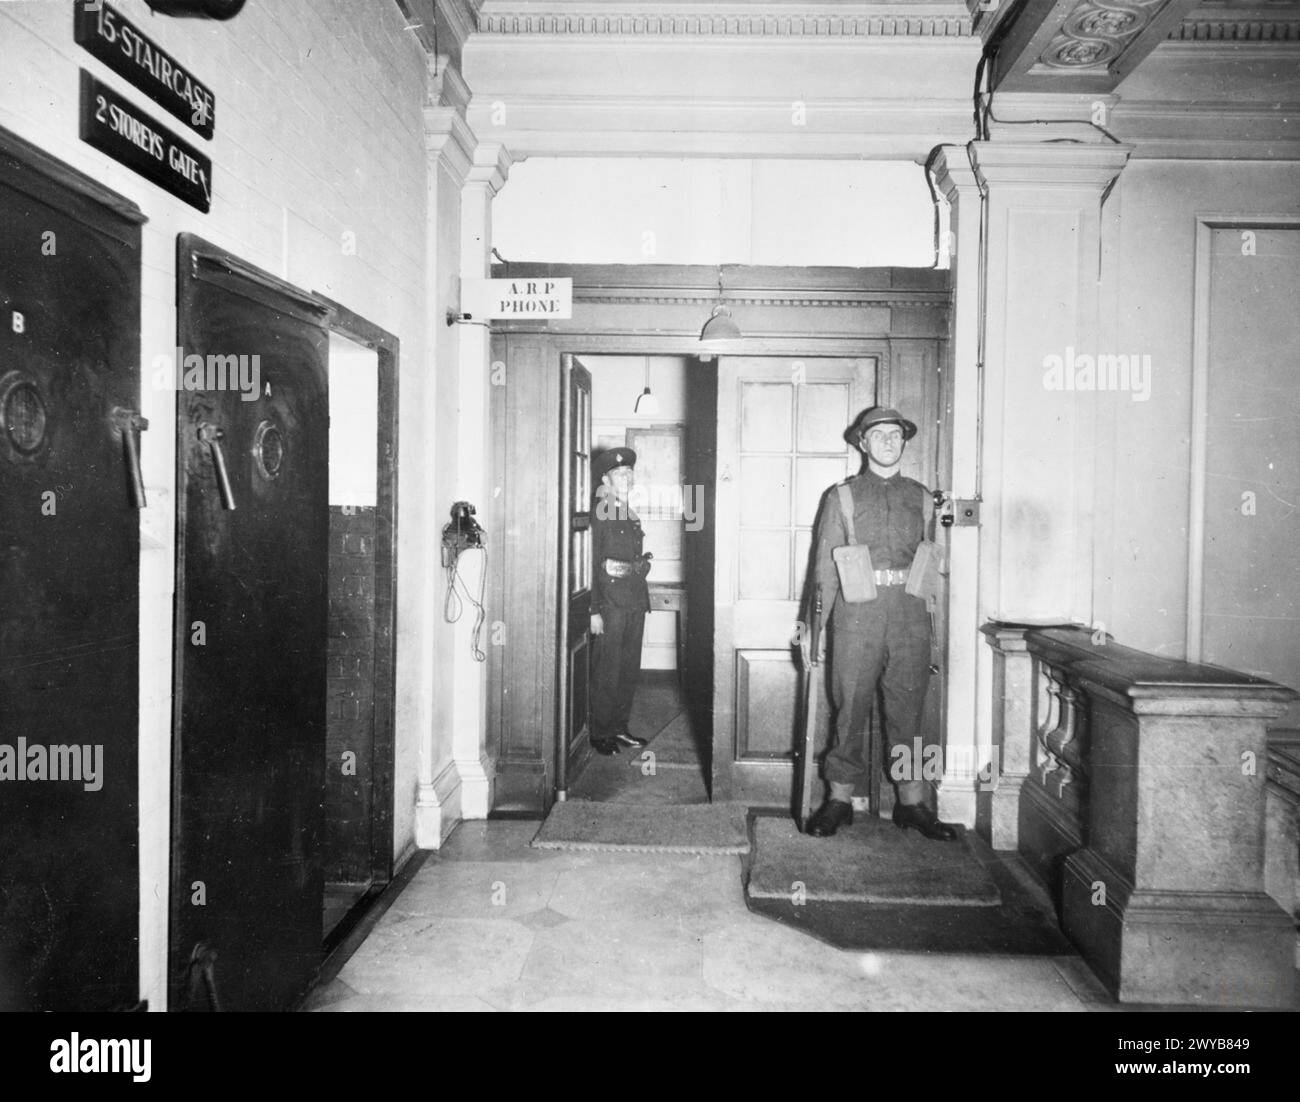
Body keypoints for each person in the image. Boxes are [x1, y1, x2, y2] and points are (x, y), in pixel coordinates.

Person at [801, 407, 958, 841]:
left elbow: (934, 563)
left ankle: (912, 804)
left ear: (904, 443)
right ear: (862, 443)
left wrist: (934, 627)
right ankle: (838, 800)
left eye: (896, 435)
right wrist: (813, 626)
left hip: (909, 615)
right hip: (857, 616)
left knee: (910, 712)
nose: (889, 441)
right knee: (849, 708)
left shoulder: (923, 497)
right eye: (879, 435)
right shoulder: (842, 497)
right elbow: (824, 569)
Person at [589, 447, 652, 756]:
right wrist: (593, 610)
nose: (626, 478)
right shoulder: (601, 512)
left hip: (634, 600)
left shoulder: (627, 511)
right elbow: (590, 563)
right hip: (610, 603)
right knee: (607, 669)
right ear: (605, 479)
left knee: (628, 668)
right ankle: (600, 732)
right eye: (618, 474)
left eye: (628, 473)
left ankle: (618, 726)